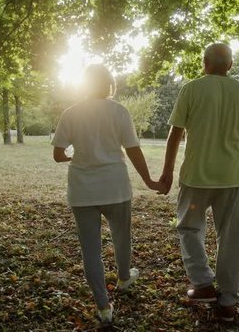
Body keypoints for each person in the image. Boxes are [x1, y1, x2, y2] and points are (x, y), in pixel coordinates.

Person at [158, 43, 239, 323]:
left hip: (196, 176)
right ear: (230, 65)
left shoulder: (191, 89)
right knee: (230, 239)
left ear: (204, 62)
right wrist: (230, 129)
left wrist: (167, 172)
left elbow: (175, 134)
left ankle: (202, 282)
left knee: (189, 227)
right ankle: (228, 303)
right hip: (231, 177)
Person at [51, 64, 160, 326]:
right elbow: (133, 150)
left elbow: (57, 154)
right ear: (110, 84)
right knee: (122, 237)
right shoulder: (119, 111)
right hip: (115, 187)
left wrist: (73, 155)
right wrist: (149, 180)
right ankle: (124, 277)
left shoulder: (71, 113)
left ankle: (103, 307)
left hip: (82, 190)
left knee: (90, 250)